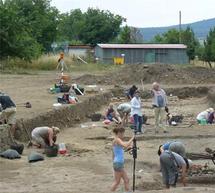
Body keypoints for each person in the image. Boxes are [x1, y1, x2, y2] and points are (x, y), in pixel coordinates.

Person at [111, 127, 134, 192]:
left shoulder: (115, 141)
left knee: (126, 180)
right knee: (117, 182)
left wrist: (129, 147)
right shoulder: (117, 140)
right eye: (123, 133)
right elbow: (125, 145)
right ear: (119, 133)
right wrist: (132, 138)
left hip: (117, 163)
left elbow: (116, 152)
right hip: (118, 163)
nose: (123, 135)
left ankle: (128, 191)